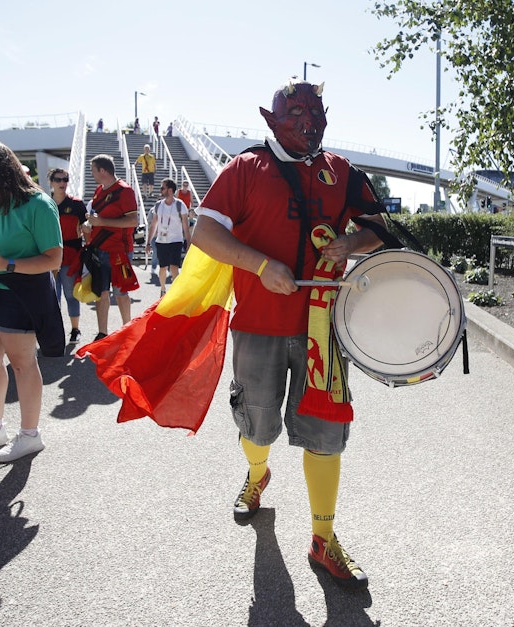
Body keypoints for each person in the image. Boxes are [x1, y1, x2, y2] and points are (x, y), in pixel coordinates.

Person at [190, 79, 390, 590]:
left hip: (325, 329)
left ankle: (324, 539)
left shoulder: (340, 172)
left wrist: (350, 242)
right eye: (297, 110)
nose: (310, 120)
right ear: (272, 117)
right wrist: (259, 266)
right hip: (259, 326)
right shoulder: (245, 168)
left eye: (317, 110)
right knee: (256, 427)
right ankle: (258, 475)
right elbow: (205, 231)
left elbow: (377, 229)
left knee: (326, 436)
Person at [0, 141, 64, 462]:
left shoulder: (39, 204)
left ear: (3, 172)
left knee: (22, 363)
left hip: (24, 292)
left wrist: (7, 264)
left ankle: (30, 435)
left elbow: (54, 260)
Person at [82, 154, 140, 340]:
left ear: (103, 170)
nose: (92, 174)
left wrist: (101, 221)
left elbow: (132, 221)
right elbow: (97, 217)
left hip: (119, 251)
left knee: (121, 292)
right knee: (101, 292)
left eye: (93, 170)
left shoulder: (125, 191)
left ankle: (127, 329)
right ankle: (102, 333)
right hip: (99, 249)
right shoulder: (99, 190)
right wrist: (89, 225)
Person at [48, 168, 87, 342]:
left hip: (71, 258)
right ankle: (55, 332)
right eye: (58, 180)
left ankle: (75, 329)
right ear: (51, 182)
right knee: (51, 298)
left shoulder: (77, 204)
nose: (62, 183)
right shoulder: (44, 204)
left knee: (71, 295)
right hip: (48, 259)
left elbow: (87, 225)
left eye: (65, 179)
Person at [146, 179, 190, 296]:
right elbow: (153, 225)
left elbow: (186, 226)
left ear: (170, 190)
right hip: (161, 241)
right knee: (163, 268)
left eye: (163, 188)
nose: (161, 190)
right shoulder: (158, 205)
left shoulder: (180, 205)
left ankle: (176, 292)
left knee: (174, 267)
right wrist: (148, 242)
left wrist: (188, 243)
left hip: (176, 241)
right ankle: (163, 289)